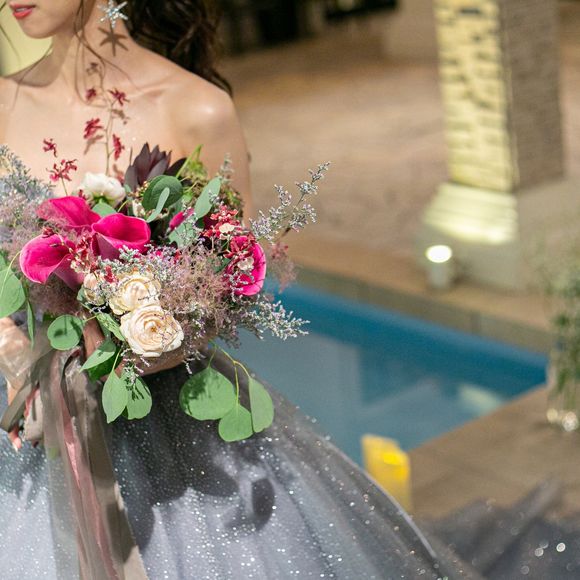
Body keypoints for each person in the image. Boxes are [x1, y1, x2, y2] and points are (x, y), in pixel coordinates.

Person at [0, 1, 475, 578]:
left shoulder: (196, 108)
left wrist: (144, 342)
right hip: (24, 418)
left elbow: (230, 282)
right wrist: (15, 353)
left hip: (173, 431)